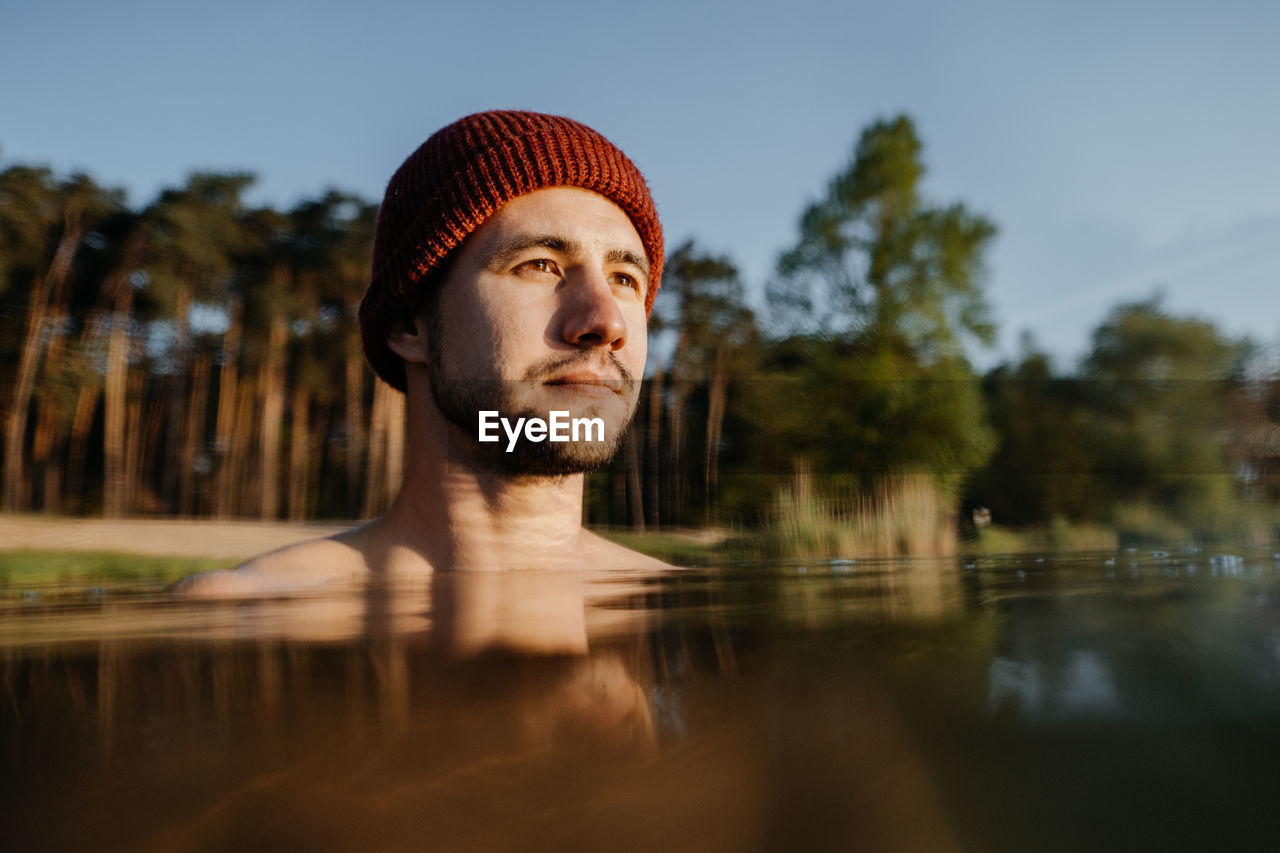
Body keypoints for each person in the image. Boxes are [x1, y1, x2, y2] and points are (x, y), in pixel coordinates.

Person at [180, 110, 669, 597]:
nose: (608, 323)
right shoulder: (255, 621)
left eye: (626, 279)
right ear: (410, 326)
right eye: (539, 264)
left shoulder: (684, 631)